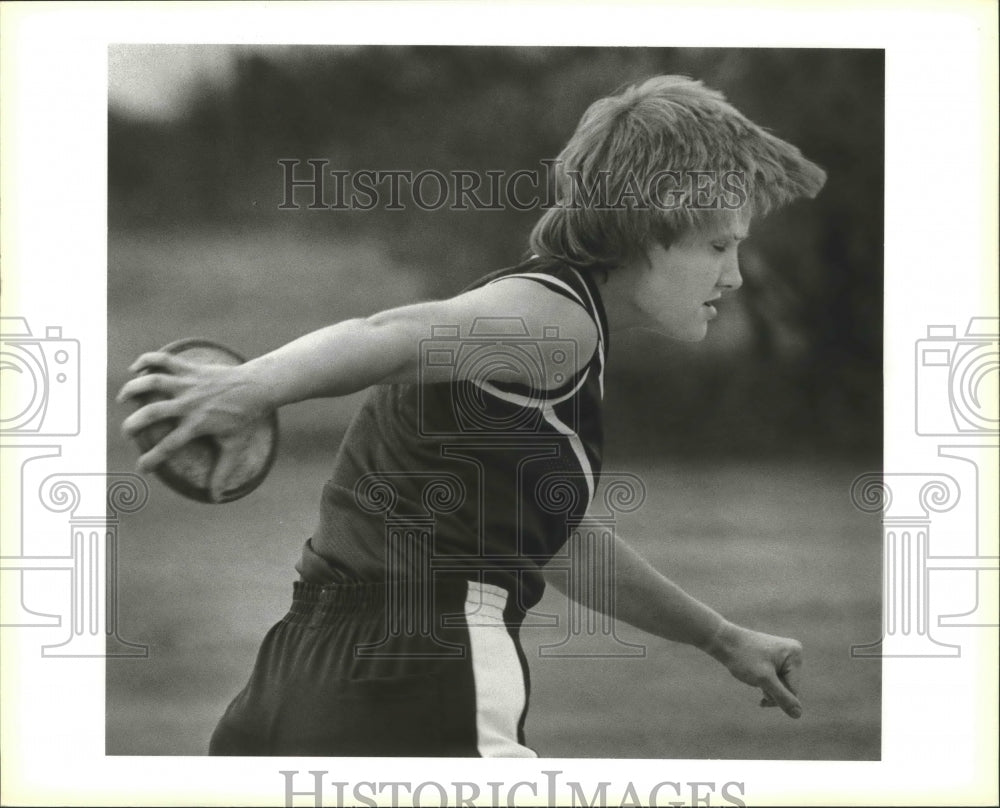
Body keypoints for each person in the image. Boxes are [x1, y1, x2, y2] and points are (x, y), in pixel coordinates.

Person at [118, 75, 826, 757]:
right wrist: (250, 385)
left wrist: (720, 638)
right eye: (720, 246)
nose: (732, 276)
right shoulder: (556, 319)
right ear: (648, 226)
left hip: (300, 677)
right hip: (423, 670)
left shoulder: (546, 329)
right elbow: (386, 335)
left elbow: (555, 541)